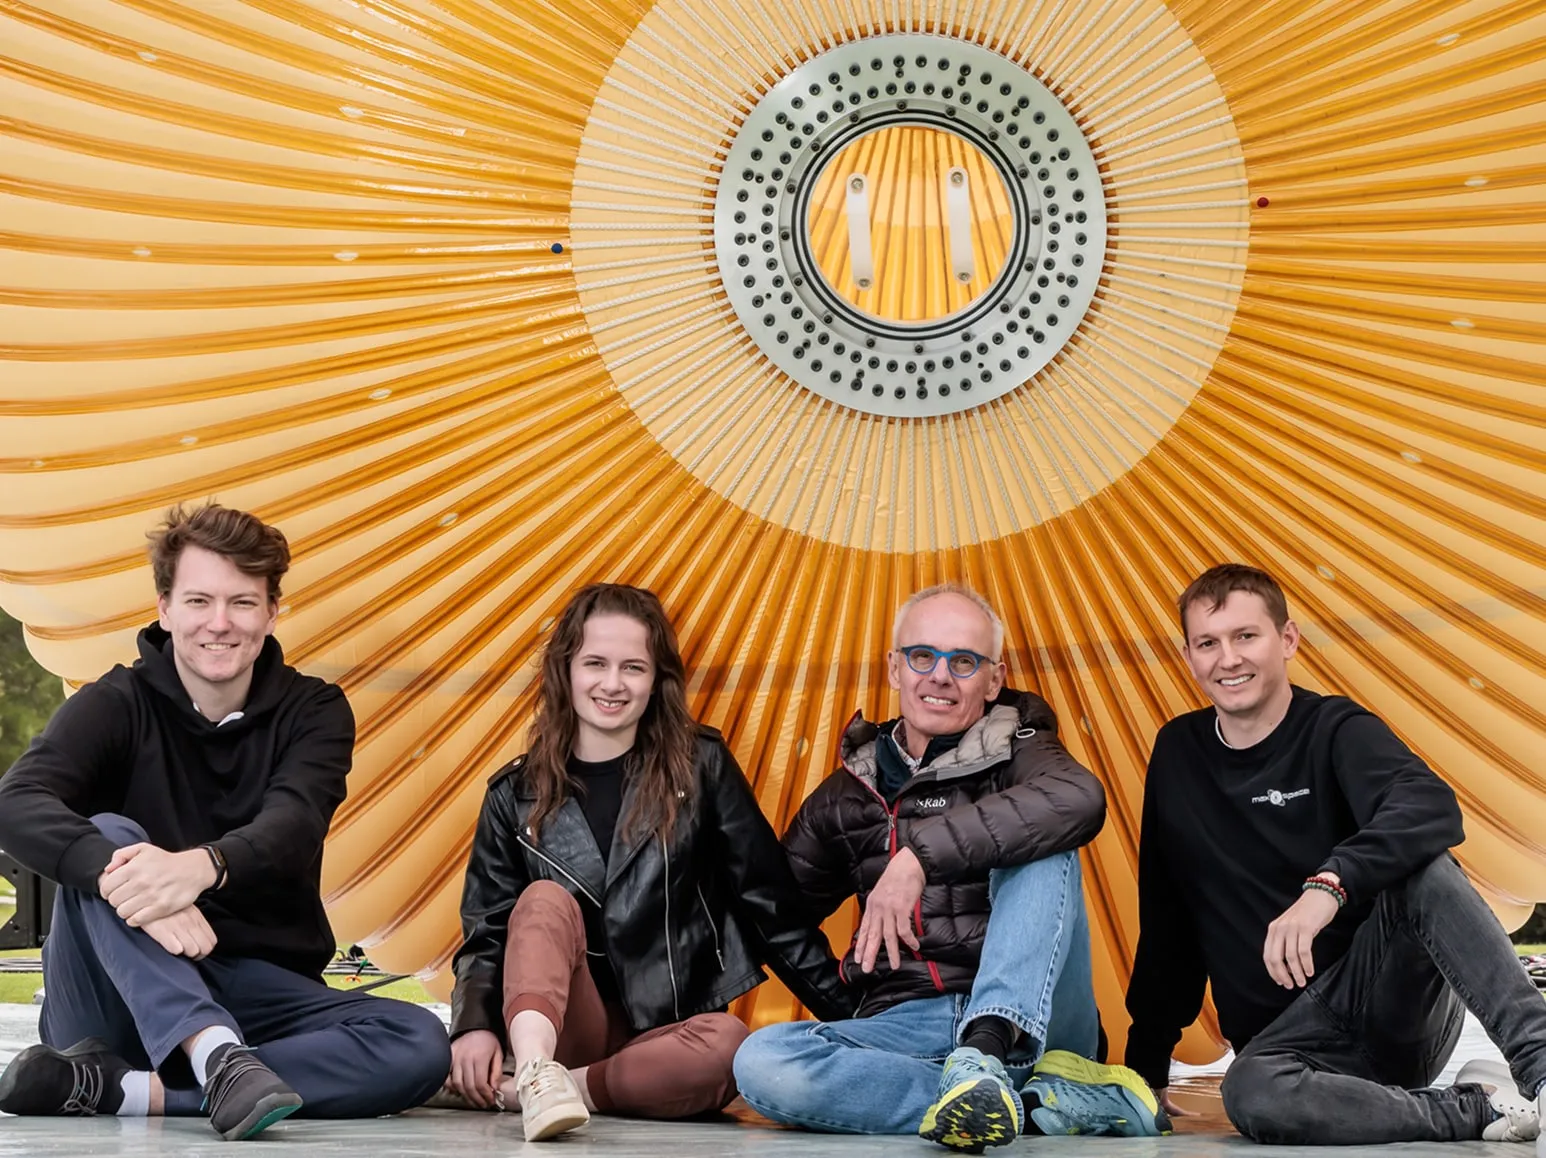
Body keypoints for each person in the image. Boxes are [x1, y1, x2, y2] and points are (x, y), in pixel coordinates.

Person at [0, 503, 449, 1139]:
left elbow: (293, 825)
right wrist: (131, 877)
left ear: (272, 611)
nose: (220, 623)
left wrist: (200, 869)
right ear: (164, 608)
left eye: (242, 603)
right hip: (115, 996)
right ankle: (218, 1059)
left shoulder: (314, 712)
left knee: (419, 1040)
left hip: (254, 989)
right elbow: (15, 801)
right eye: (199, 601)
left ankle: (130, 1092)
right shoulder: (118, 703)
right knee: (115, 838)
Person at [1124, 563, 1545, 1150]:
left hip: (1390, 1011)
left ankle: (1542, 1069)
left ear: (1287, 640)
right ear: (1189, 656)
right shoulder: (1178, 753)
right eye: (1208, 643)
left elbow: (1429, 807)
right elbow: (1168, 918)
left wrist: (1328, 885)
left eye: (1247, 636)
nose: (1228, 659)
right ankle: (1475, 1108)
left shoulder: (1334, 728)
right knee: (1248, 1092)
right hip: (1284, 1051)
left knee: (1424, 869)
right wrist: (1145, 1070)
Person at [733, 583, 1169, 1152]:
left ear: (993, 680)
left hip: (1043, 1022)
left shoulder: (1024, 751)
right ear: (894, 668)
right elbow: (775, 913)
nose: (940, 676)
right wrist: (848, 998)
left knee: (1046, 835)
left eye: (964, 662)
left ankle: (987, 1055)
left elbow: (1077, 801)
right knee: (765, 1061)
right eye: (922, 656)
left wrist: (916, 856)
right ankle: (1033, 1103)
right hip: (909, 1021)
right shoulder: (846, 796)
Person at [444, 582, 854, 1142]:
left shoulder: (701, 767)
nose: (612, 684)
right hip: (562, 1027)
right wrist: (471, 1028)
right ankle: (539, 1071)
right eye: (595, 663)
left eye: (632, 667)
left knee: (730, 1045)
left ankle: (545, 1091)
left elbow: (771, 913)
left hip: (669, 1036)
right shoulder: (512, 795)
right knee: (542, 900)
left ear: (657, 679)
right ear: (565, 670)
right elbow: (487, 935)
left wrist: (861, 1025)